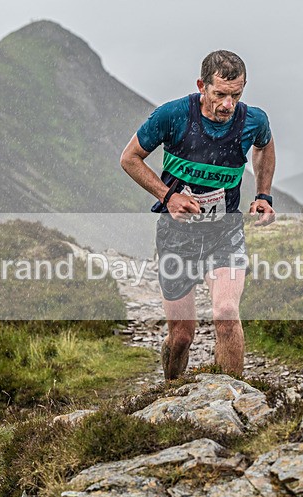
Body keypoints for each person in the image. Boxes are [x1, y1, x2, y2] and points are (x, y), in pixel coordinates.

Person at [120, 50, 276, 380]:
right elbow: (130, 158)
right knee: (181, 337)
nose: (227, 105)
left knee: (226, 312)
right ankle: (170, 390)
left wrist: (263, 194)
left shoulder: (252, 120)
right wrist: (168, 197)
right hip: (176, 236)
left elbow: (264, 144)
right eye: (220, 94)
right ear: (201, 86)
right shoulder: (173, 115)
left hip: (225, 231)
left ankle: (232, 398)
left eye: (236, 95)